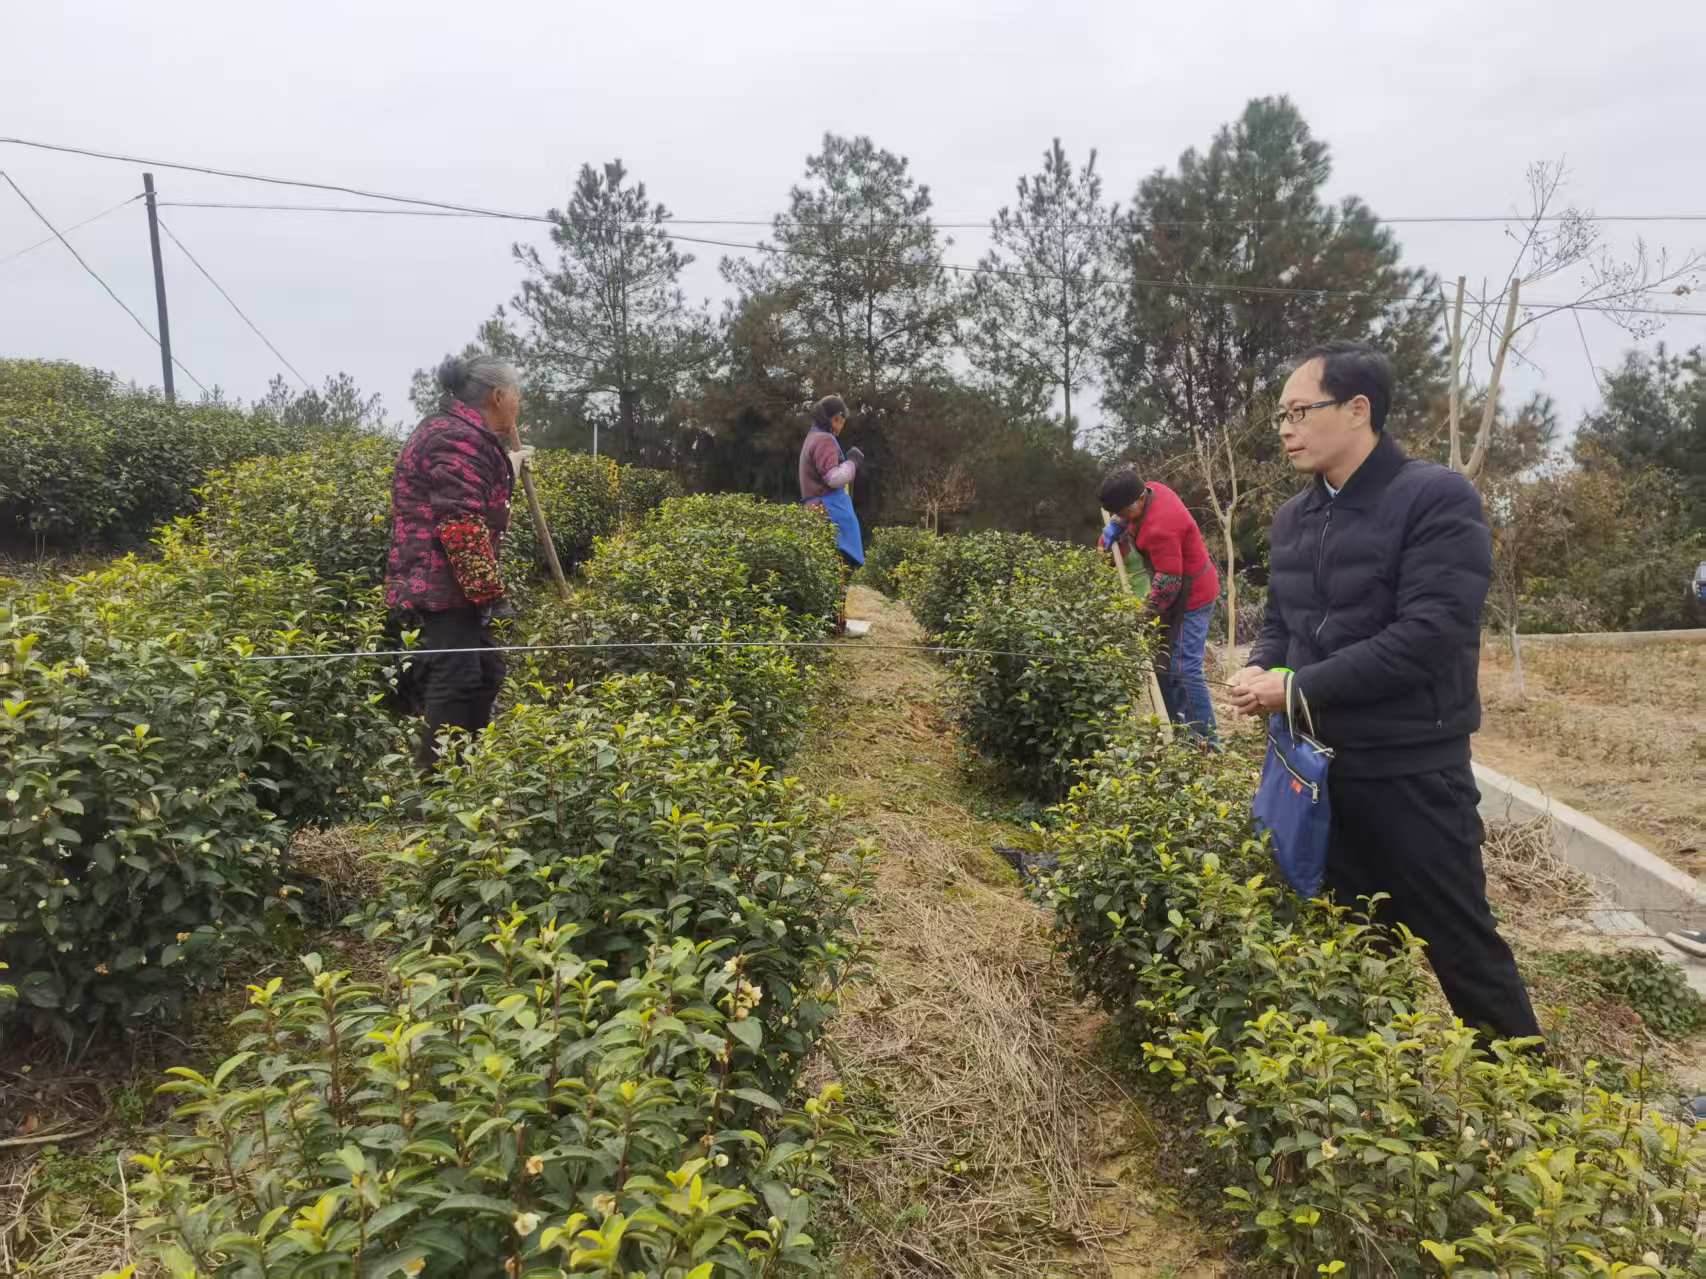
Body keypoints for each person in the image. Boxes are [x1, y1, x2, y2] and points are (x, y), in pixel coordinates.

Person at [1228, 340, 1541, 1044]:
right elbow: (1284, 619)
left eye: (1301, 410)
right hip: (1320, 771)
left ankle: (1532, 1109)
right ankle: (1375, 1105)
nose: (1285, 427)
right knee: (1349, 948)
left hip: (1410, 768)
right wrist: (1261, 668)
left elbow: (1429, 634)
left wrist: (1295, 687)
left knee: (1461, 946)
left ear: (1359, 409)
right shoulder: (1293, 518)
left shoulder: (1433, 498)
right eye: (1281, 414)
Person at [384, 353, 522, 769]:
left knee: (485, 673)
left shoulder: (466, 435)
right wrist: (491, 596)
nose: (520, 403)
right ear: (498, 396)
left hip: (455, 587)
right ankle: (439, 792)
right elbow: (460, 525)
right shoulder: (453, 438)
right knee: (455, 683)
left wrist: (510, 466)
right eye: (517, 394)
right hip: (440, 588)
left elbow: (484, 502)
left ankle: (466, 780)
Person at [1098, 468, 1221, 743]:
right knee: (1163, 664)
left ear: (1138, 501)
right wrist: (1115, 528)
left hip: (1193, 597)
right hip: (1173, 592)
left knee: (1185, 668)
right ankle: (1180, 734)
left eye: (1123, 513)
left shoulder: (1161, 527)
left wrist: (1142, 616)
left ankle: (1207, 743)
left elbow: (1167, 585)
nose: (1121, 518)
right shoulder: (1150, 488)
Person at [799, 394, 864, 631]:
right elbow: (833, 478)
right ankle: (835, 622)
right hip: (828, 510)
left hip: (819, 508)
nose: (841, 426)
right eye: (840, 420)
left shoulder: (812, 437)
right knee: (839, 565)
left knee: (830, 566)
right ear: (834, 419)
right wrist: (853, 463)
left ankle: (833, 620)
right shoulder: (824, 440)